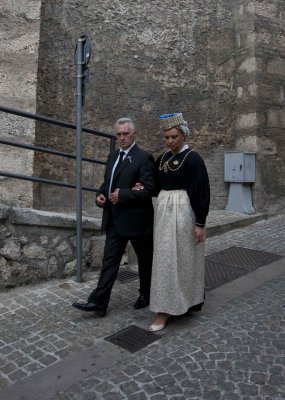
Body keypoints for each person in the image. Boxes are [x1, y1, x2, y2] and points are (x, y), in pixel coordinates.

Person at [72, 117, 157, 317]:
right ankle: (98, 304)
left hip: (138, 221)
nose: (121, 138)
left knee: (146, 261)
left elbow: (151, 189)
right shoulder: (112, 156)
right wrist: (100, 195)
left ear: (134, 134)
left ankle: (147, 294)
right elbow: (107, 184)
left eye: (125, 134)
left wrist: (124, 194)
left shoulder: (144, 157)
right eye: (118, 134)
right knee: (109, 262)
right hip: (115, 220)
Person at [147, 113, 210, 331]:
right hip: (164, 214)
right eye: (167, 137)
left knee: (184, 259)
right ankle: (164, 307)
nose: (170, 141)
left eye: (174, 136)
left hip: (184, 214)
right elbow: (156, 186)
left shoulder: (193, 159)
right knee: (165, 259)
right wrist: (141, 188)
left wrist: (200, 223)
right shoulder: (162, 159)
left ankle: (185, 301)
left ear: (183, 135)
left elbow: (202, 192)